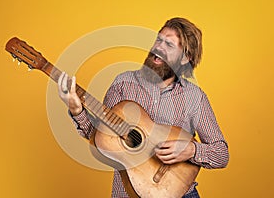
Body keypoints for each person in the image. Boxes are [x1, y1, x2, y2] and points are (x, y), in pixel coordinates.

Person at [57, 17, 229, 198]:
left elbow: (221, 154)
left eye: (169, 45)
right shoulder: (123, 83)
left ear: (185, 58)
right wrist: (77, 110)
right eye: (158, 39)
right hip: (128, 193)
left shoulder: (195, 97)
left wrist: (191, 150)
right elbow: (99, 137)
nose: (159, 47)